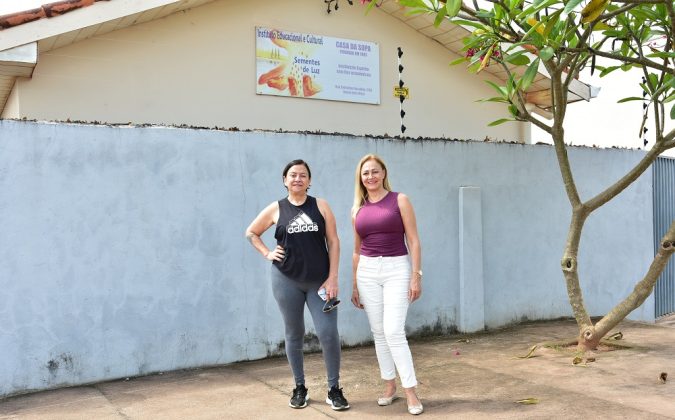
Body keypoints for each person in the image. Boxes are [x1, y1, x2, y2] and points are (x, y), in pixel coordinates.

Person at [245, 159, 349, 411]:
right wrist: (268, 253)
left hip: (320, 282)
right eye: (292, 175)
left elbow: (334, 242)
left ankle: (334, 389)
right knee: (294, 333)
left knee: (328, 333)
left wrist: (333, 277)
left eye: (303, 175)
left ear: (309, 181)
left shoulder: (321, 206)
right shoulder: (276, 208)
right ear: (285, 180)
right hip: (286, 280)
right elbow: (251, 232)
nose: (297, 179)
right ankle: (300, 387)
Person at [350, 154, 424, 416]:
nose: (370, 176)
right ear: (361, 178)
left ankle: (410, 390)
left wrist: (416, 275)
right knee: (379, 332)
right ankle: (390, 385)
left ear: (383, 173)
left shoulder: (399, 200)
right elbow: (356, 250)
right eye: (365, 173)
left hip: (397, 268)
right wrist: (354, 284)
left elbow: (413, 240)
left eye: (374, 171)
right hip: (367, 271)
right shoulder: (357, 209)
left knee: (393, 331)